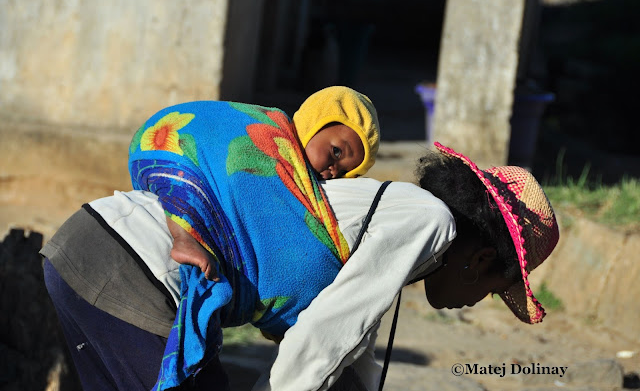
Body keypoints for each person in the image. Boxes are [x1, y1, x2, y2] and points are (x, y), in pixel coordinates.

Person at [41, 141, 559, 391]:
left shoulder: (399, 214)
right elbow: (323, 337)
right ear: (482, 260)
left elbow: (352, 345)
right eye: (494, 289)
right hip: (136, 265)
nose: (477, 302)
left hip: (89, 242)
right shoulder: (428, 221)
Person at [167, 86, 380, 280]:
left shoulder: (306, 187)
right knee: (188, 185)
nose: (333, 171)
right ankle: (183, 238)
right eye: (336, 152)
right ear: (316, 123)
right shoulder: (272, 135)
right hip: (182, 146)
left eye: (344, 172)